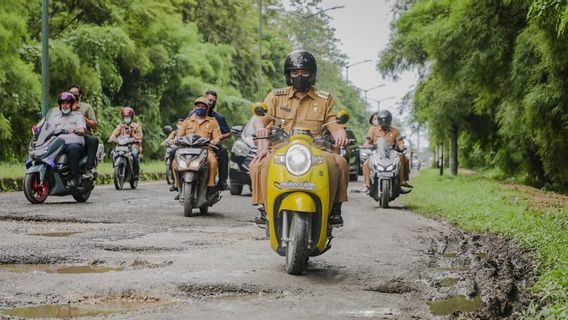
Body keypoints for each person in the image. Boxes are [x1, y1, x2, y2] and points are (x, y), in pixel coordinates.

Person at [249, 49, 349, 227]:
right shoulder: (276, 96)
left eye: (304, 72)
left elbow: (334, 124)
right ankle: (265, 208)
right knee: (259, 164)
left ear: (312, 74)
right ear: (288, 75)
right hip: (282, 148)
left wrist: (339, 132)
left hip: (317, 149)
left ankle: (334, 209)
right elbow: (260, 121)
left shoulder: (324, 99)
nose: (299, 76)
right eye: (295, 72)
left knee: (339, 162)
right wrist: (261, 136)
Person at [172, 97, 222, 200]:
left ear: (207, 109)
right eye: (198, 106)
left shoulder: (212, 122)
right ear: (194, 107)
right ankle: (177, 185)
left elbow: (217, 136)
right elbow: (179, 135)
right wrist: (175, 139)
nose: (200, 108)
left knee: (212, 162)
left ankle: (211, 186)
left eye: (203, 107)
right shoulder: (187, 121)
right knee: (174, 163)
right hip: (187, 149)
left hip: (205, 149)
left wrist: (215, 140)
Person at [187, 91, 231, 190]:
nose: (211, 102)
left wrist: (216, 138)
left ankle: (222, 181)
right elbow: (183, 129)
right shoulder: (191, 115)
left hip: (210, 145)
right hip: (192, 144)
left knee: (223, 152)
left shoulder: (216, 119)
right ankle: (178, 182)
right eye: (209, 100)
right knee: (174, 152)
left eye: (213, 101)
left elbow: (228, 133)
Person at [362, 110, 412, 193]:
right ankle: (367, 185)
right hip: (377, 153)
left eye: (386, 120)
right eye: (382, 120)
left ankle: (401, 182)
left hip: (391, 154)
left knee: (404, 159)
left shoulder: (395, 131)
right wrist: (367, 144)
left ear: (389, 120)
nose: (384, 122)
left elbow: (400, 142)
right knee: (366, 163)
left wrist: (401, 146)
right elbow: (368, 140)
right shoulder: (373, 129)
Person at [49, 92, 86, 188]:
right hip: (59, 144)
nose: (65, 106)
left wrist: (76, 130)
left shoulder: (78, 116)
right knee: (47, 149)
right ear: (60, 105)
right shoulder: (55, 118)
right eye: (62, 103)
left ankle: (75, 177)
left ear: (72, 104)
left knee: (73, 148)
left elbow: (82, 130)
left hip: (74, 143)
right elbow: (48, 129)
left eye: (67, 103)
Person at [68, 84, 99, 179]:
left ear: (80, 95)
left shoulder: (86, 107)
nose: (73, 95)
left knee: (93, 140)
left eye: (75, 93)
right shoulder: (64, 106)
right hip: (66, 135)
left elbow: (94, 124)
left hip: (82, 135)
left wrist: (82, 117)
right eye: (70, 93)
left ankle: (89, 168)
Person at [108, 107, 143, 178]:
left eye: (128, 116)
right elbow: (115, 133)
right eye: (125, 116)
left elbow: (140, 137)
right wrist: (111, 138)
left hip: (133, 146)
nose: (126, 118)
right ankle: (116, 169)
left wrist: (133, 134)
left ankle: (136, 172)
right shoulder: (121, 126)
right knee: (113, 153)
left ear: (131, 116)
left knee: (134, 154)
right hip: (122, 146)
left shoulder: (136, 126)